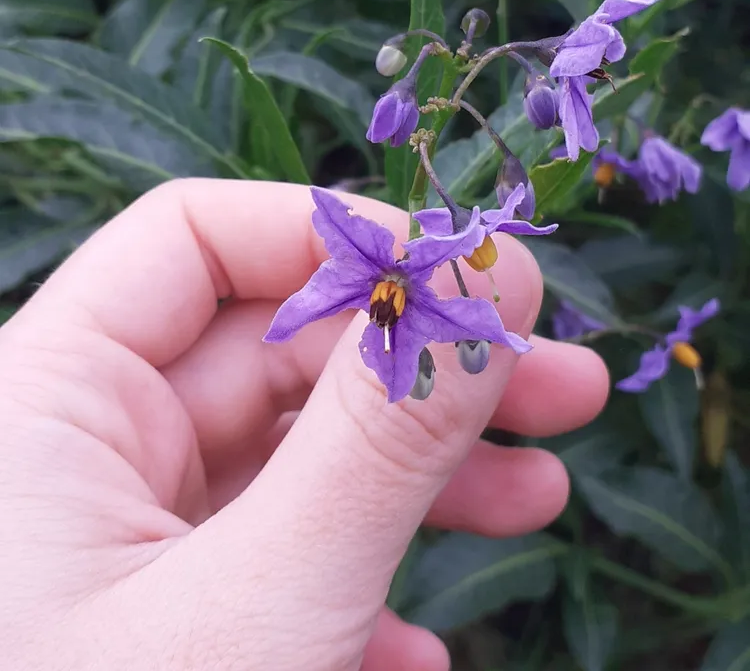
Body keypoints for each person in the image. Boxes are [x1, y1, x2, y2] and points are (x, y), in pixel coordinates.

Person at [0, 180, 608, 670]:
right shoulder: (387, 291)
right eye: (382, 298)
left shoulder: (383, 287)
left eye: (386, 298)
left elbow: (359, 278)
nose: (384, 303)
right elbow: (311, 307)